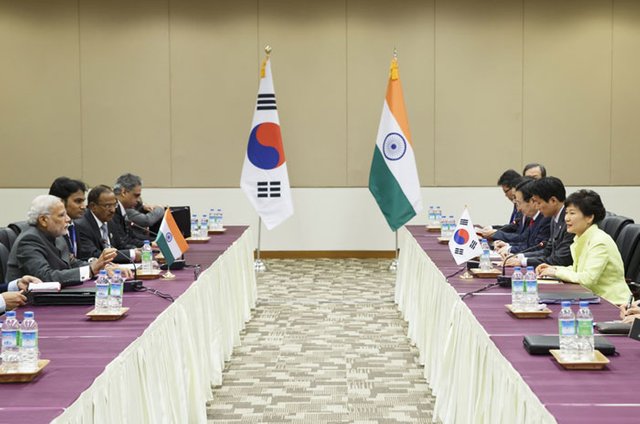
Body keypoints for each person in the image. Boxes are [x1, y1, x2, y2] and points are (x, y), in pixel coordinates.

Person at [538, 190, 631, 305]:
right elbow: (578, 270)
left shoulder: (599, 241)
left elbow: (587, 280)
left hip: (613, 302)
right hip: (592, 298)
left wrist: (556, 273)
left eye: (572, 213)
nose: (566, 218)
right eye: (566, 213)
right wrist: (555, 269)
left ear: (589, 218)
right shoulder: (581, 237)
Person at [6, 195, 116, 284]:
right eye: (61, 215)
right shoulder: (29, 240)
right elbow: (45, 277)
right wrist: (90, 270)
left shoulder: (56, 236)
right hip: (26, 305)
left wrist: (101, 267)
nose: (68, 219)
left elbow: (72, 263)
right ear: (43, 220)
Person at [505, 176, 574, 267]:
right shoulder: (555, 218)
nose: (536, 207)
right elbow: (547, 251)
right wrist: (519, 257)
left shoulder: (569, 221)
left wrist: (523, 262)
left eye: (539, 203)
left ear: (553, 201)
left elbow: (560, 259)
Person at [75, 185, 139, 263]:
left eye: (114, 205)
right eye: (107, 206)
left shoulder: (109, 221)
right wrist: (131, 254)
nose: (112, 210)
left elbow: (120, 246)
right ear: (93, 206)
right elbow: (94, 254)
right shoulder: (82, 225)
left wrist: (136, 250)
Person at [494, 179, 551, 255]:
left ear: (532, 201)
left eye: (519, 203)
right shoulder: (532, 218)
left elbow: (538, 248)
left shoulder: (546, 219)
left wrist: (509, 249)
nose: (518, 209)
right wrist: (508, 246)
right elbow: (526, 243)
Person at [478, 170, 523, 240]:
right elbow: (512, 226)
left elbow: (519, 234)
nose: (505, 195)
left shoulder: (523, 207)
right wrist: (492, 228)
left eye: (506, 191)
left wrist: (495, 233)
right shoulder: (516, 204)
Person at [48, 177, 87, 258]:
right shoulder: (51, 230)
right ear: (60, 202)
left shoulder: (76, 226)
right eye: (78, 201)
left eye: (83, 201)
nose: (83, 206)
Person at [111, 173, 146, 248]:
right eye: (136, 195)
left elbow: (130, 237)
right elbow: (122, 242)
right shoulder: (112, 211)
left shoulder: (122, 209)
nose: (138, 200)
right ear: (124, 192)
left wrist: (150, 243)